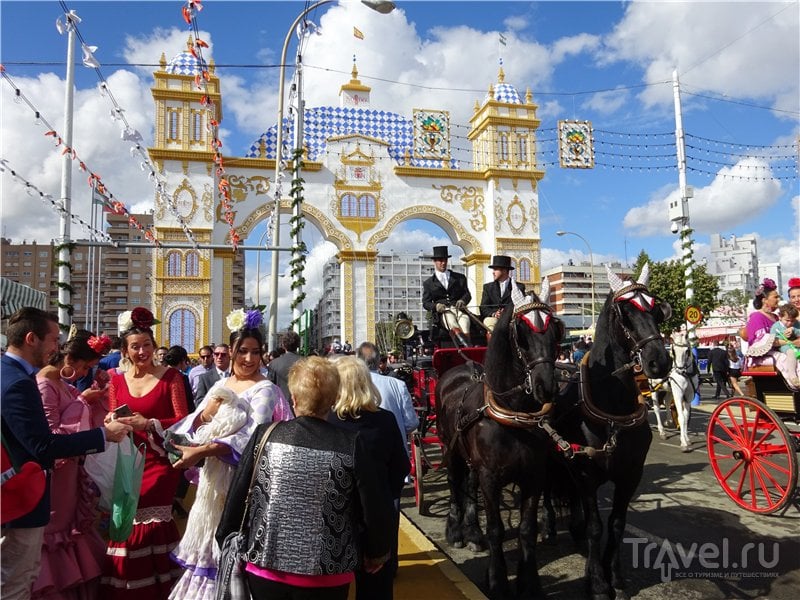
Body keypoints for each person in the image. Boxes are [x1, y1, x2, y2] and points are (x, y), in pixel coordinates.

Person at [216, 356, 392, 600]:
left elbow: (238, 494)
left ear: (294, 398)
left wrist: (226, 536)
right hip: (329, 571)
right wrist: (377, 552)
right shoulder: (350, 444)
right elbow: (372, 504)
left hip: (265, 565)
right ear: (332, 401)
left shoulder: (265, 436)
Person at [1, 308, 130, 600]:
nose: (57, 349)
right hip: (22, 498)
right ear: (31, 339)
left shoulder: (11, 374)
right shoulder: (20, 383)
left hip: (19, 494)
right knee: (17, 581)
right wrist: (102, 435)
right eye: (53, 340)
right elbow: (42, 445)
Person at [167, 310, 292, 600]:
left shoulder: (266, 389)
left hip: (246, 481)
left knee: (239, 544)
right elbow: (191, 423)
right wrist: (201, 420)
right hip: (213, 480)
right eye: (243, 351)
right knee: (211, 541)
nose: (249, 359)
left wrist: (201, 450)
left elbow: (251, 437)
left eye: (255, 352)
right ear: (232, 351)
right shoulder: (221, 386)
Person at [100, 307, 190, 599]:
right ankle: (129, 587)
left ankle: (160, 588)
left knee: (152, 525)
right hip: (126, 460)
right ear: (125, 350)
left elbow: (181, 419)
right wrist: (111, 421)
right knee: (126, 518)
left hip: (159, 463)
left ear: (154, 346)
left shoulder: (172, 377)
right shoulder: (115, 380)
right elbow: (113, 414)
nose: (142, 352)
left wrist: (149, 423)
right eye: (135, 347)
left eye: (147, 345)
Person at [32, 330, 113, 600]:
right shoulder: (45, 384)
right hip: (55, 475)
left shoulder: (62, 385)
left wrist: (94, 397)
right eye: (84, 367)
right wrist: (82, 401)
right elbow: (50, 436)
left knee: (69, 529)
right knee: (55, 533)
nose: (82, 374)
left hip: (69, 473)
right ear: (70, 360)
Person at [330, 356, 410, 599]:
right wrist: (387, 496)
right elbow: (401, 465)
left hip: (336, 519)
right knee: (375, 589)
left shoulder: (328, 421)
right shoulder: (385, 420)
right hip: (375, 515)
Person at [356, 342, 418, 455]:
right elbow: (411, 423)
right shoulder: (398, 385)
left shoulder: (349, 388)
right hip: (395, 457)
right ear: (379, 360)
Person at [422, 246, 472, 347]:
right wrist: (436, 306)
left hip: (459, 310)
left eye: (445, 260)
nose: (443, 263)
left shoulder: (460, 278)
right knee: (451, 321)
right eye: (440, 260)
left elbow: (467, 294)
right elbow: (426, 303)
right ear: (435, 262)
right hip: (443, 312)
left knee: (465, 321)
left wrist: (463, 300)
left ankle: (468, 345)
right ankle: (464, 346)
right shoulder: (428, 283)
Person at [479, 255, 525, 331]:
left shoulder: (519, 287)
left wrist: (507, 313)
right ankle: (492, 343)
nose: (493, 272)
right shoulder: (487, 287)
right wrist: (494, 314)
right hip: (493, 319)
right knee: (489, 323)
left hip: (513, 319)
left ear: (504, 270)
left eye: (495, 269)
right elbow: (483, 307)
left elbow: (522, 306)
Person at [268, 330, 303, 409]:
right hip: (301, 406)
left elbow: (270, 386)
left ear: (283, 345)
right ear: (298, 344)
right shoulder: (306, 362)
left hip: (280, 407)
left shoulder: (274, 363)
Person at [770, 303, 800, 387]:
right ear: (780, 317)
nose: (790, 323)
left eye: (792, 320)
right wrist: (783, 337)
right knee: (791, 352)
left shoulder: (796, 324)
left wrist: (794, 329)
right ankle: (792, 376)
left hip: (796, 344)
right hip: (784, 346)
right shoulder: (775, 326)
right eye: (787, 320)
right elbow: (772, 341)